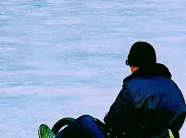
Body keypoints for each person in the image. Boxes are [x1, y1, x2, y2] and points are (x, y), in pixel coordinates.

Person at [38, 42, 186, 138]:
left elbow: (113, 122)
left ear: (135, 65)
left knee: (86, 122)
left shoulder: (134, 88)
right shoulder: (173, 87)